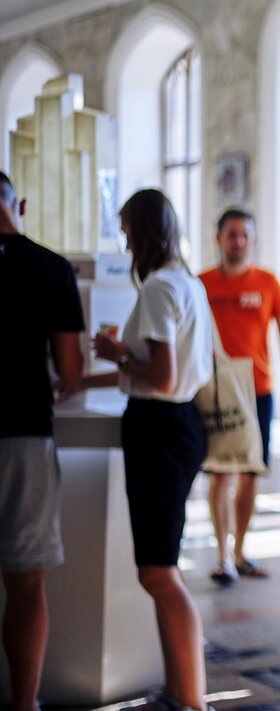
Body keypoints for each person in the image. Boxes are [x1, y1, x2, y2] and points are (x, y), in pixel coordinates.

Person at [70, 189, 214, 711]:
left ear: (143, 231)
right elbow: (167, 372)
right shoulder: (187, 282)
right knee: (160, 567)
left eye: (128, 229)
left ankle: (192, 698)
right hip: (177, 425)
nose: (124, 238)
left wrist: (114, 354)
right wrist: (90, 377)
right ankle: (179, 688)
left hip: (159, 431)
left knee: (158, 571)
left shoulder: (157, 288)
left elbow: (159, 374)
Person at [0, 171, 84, 711]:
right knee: (26, 581)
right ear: (20, 204)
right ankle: (24, 704)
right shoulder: (52, 268)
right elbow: (71, 370)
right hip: (24, 432)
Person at [200, 209, 280, 585]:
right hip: (217, 391)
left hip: (258, 389)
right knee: (220, 471)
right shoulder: (202, 283)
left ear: (253, 240)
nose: (237, 241)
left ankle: (240, 551)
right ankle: (222, 557)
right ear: (218, 239)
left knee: (250, 474)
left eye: (244, 235)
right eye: (231, 234)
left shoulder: (267, 282)